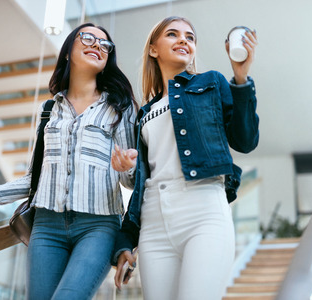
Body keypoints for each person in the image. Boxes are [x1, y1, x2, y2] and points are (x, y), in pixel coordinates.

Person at [0, 23, 138, 300]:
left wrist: (128, 168)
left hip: (98, 226)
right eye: (88, 38)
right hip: (47, 227)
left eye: (105, 44)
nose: (97, 45)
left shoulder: (120, 107)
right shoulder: (48, 110)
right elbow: (35, 179)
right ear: (68, 50)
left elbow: (131, 180)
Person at [110, 16, 259, 299]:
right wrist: (125, 241)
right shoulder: (143, 114)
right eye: (173, 34)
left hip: (203, 210)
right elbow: (140, 184)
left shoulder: (211, 83)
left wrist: (240, 78)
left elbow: (245, 140)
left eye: (190, 37)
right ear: (153, 49)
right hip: (153, 221)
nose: (183, 40)